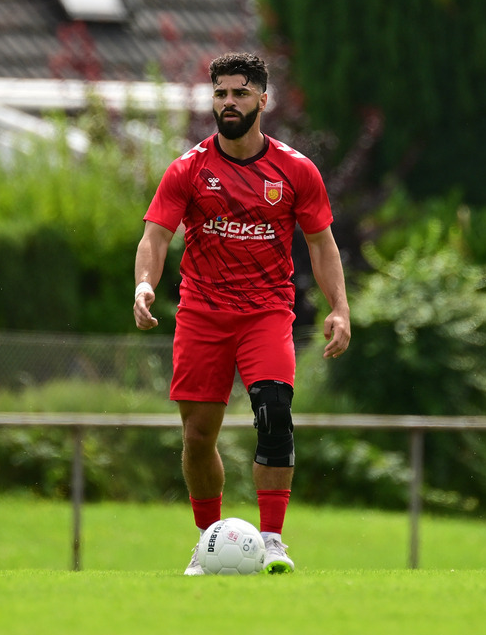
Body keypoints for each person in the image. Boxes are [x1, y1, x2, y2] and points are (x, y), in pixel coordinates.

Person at [133, 52, 351, 575]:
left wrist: (339, 309)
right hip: (202, 315)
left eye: (240, 93)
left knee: (275, 416)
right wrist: (144, 283)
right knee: (198, 436)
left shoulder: (295, 170)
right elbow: (155, 235)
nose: (229, 102)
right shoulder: (187, 169)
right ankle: (207, 543)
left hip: (266, 314)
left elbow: (322, 246)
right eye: (221, 94)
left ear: (262, 100)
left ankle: (273, 541)